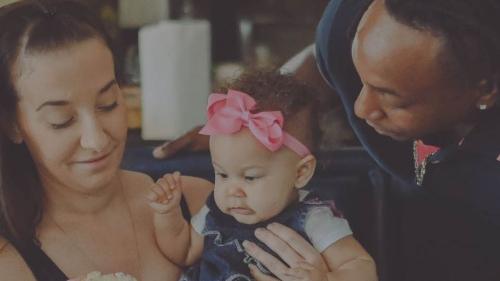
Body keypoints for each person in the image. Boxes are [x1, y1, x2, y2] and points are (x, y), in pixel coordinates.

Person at [153, 0, 500, 280]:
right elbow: (319, 72)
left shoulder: (313, 218)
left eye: (392, 97)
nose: (361, 109)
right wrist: (248, 133)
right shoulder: (345, 26)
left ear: (484, 88)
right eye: (357, 75)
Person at [0, 1, 212, 280]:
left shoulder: (197, 203)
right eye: (61, 120)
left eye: (107, 104)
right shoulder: (9, 260)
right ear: (12, 126)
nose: (96, 140)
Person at [147, 71, 377, 281]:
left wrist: (326, 279)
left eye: (250, 177)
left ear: (301, 172)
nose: (232, 190)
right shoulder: (214, 212)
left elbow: (362, 267)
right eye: (222, 174)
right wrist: (167, 214)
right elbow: (184, 251)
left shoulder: (314, 218)